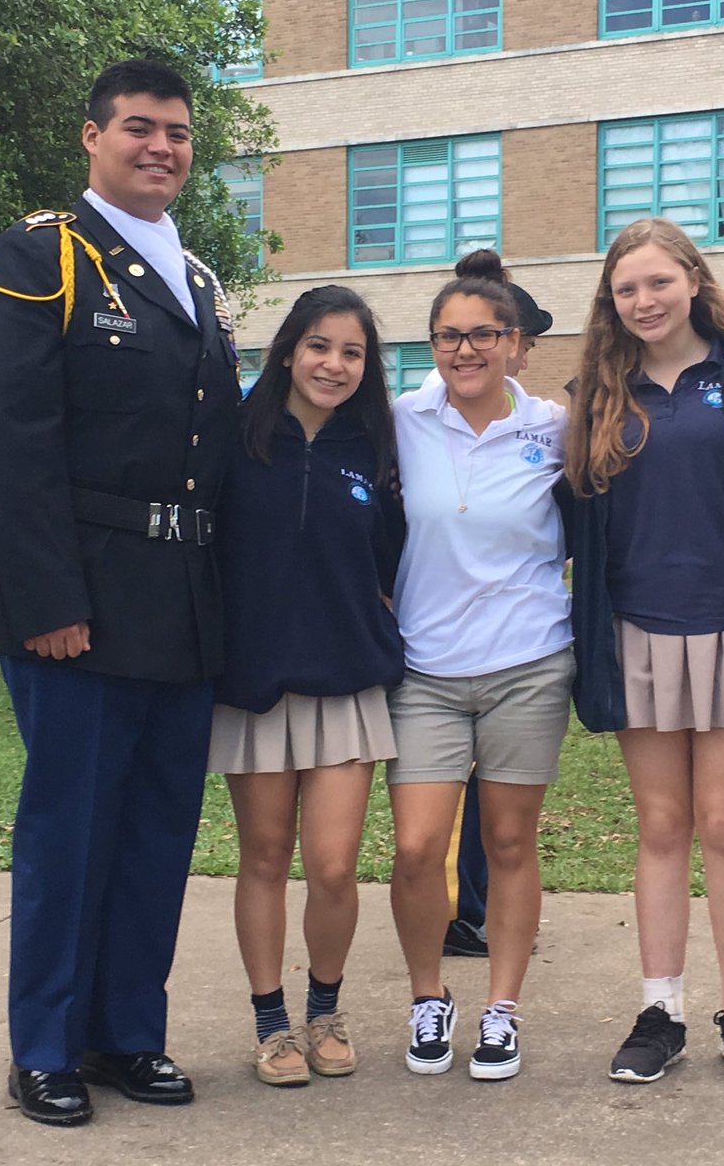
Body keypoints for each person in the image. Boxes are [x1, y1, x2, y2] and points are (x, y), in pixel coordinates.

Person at [0, 60, 241, 1127]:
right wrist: (47, 599)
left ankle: (128, 1033)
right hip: (77, 596)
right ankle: (45, 1047)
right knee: (69, 831)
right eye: (139, 127)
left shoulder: (198, 278)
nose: (161, 147)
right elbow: (10, 438)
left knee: (158, 831)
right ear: (93, 137)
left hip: (179, 597)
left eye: (177, 132)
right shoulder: (44, 255)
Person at [566, 218, 724, 1088]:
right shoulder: (597, 391)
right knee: (662, 826)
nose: (644, 300)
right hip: (638, 630)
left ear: (694, 281)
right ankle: (660, 1010)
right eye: (626, 288)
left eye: (659, 282)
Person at [208, 286, 404, 1087]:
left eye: (352, 352)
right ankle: (271, 1025)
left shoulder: (376, 452)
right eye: (320, 346)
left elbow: (393, 565)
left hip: (346, 682)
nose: (334, 364)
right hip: (254, 683)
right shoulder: (234, 440)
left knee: (332, 867)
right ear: (289, 350)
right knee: (262, 856)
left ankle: (325, 1012)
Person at [387, 257, 573, 1081]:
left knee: (507, 841)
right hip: (423, 669)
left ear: (515, 343)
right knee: (417, 847)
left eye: (483, 335)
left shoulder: (552, 429)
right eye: (448, 336)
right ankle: (429, 997)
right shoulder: (401, 419)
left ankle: (502, 1008)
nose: (465, 350)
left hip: (527, 664)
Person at [440, 250, 555, 960]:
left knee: (501, 809)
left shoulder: (545, 426)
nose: (523, 353)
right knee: (450, 809)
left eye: (514, 338)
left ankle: (480, 907)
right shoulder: (416, 417)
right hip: (440, 655)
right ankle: (458, 911)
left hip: (521, 656)